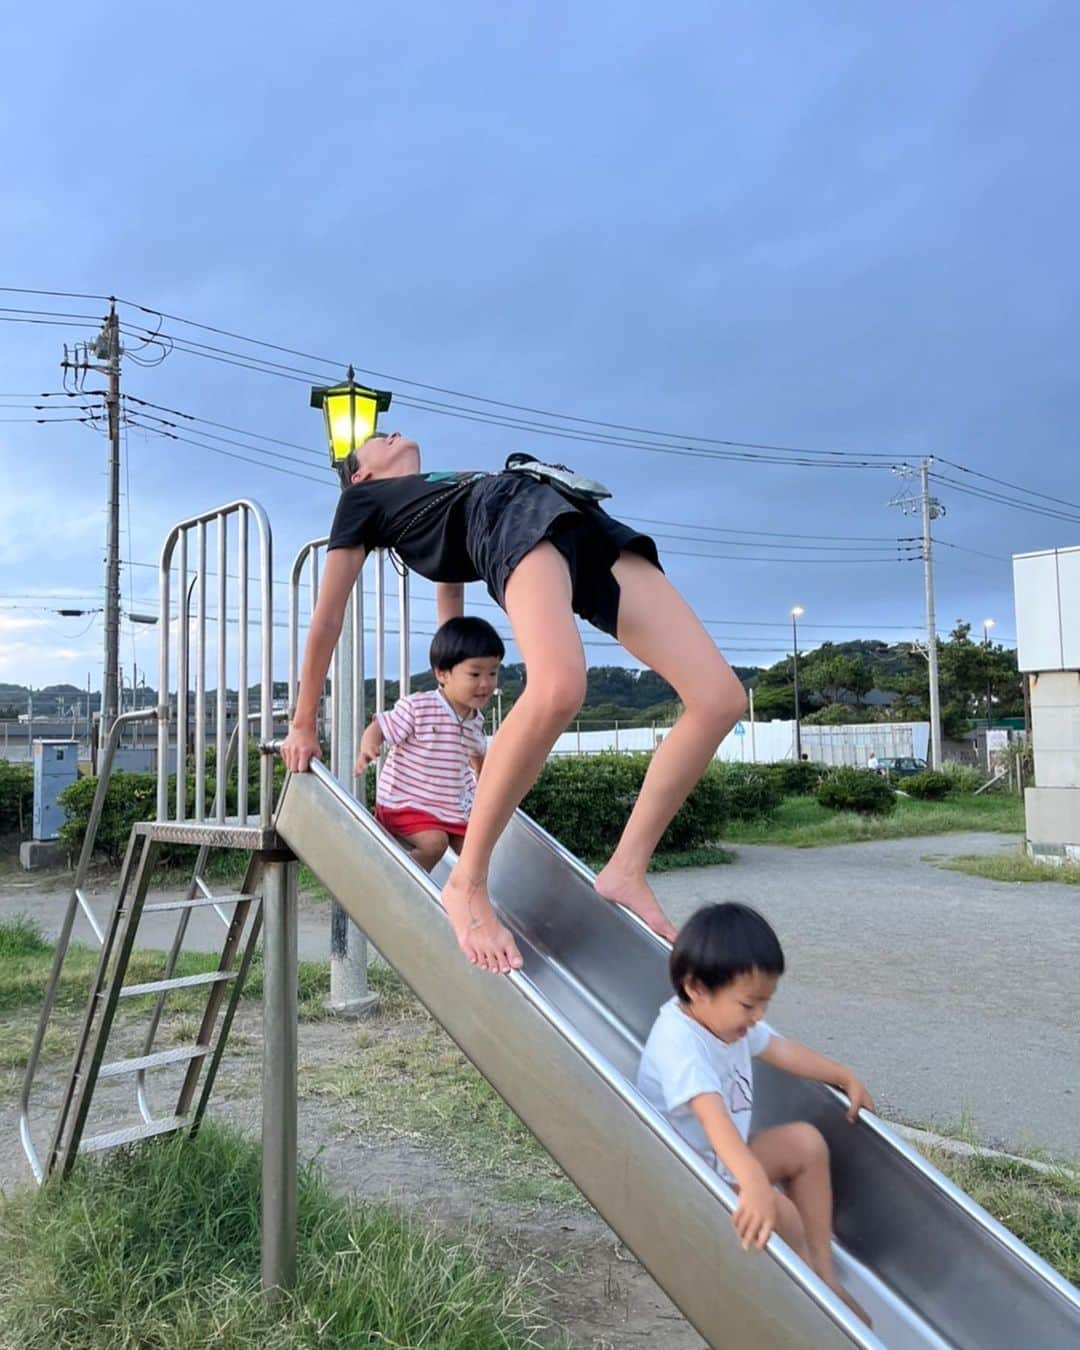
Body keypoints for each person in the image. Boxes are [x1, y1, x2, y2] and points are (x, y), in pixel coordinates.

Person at [280, 431, 747, 975]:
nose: (390, 433)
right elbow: (327, 616)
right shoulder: (360, 501)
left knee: (720, 699)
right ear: (360, 476)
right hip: (510, 512)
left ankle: (626, 867)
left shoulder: (433, 495)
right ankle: (467, 881)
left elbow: (451, 619)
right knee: (558, 687)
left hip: (571, 513)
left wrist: (458, 700)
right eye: (374, 441)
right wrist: (302, 722)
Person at [636, 902, 873, 1326]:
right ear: (696, 988)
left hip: (726, 1160)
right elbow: (714, 1122)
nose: (759, 1015)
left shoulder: (726, 1021)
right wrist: (755, 1184)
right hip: (693, 1177)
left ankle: (823, 1270)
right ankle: (814, 1303)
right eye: (749, 1005)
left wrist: (842, 1075)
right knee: (780, 1212)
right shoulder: (679, 1044)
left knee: (806, 1142)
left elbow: (780, 1050)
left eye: (765, 1002)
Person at [357, 616, 502, 871]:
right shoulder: (420, 707)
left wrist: (484, 782)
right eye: (475, 673)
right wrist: (368, 746)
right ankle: (401, 883)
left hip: (450, 806)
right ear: (442, 674)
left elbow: (478, 754)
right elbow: (380, 725)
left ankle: (469, 894)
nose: (485, 683)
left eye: (493, 672)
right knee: (435, 843)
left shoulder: (474, 719)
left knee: (476, 847)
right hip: (406, 801)